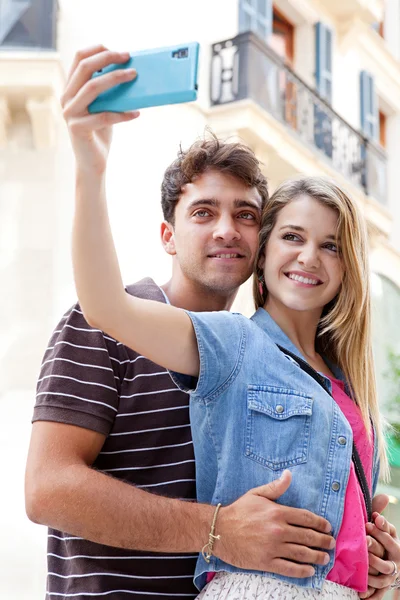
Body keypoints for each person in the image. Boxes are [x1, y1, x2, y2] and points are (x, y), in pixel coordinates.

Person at [65, 52, 400, 598]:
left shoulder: (347, 384)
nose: (309, 257)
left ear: (348, 271)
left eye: (331, 246)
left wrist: (379, 562)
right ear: (263, 256)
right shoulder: (234, 342)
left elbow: (348, 539)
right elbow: (106, 306)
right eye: (292, 237)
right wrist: (90, 164)